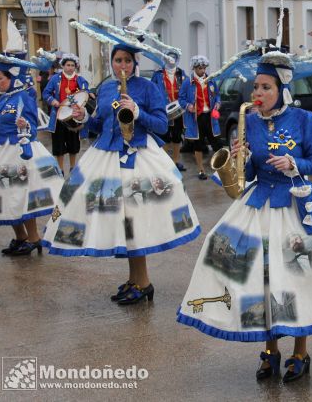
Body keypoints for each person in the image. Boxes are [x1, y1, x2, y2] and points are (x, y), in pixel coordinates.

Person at [177, 48, 312, 384]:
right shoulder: (249, 122)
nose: (257, 94)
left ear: (281, 90)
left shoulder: (304, 119)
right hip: (259, 203)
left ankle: (300, 352)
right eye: (256, 87)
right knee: (263, 278)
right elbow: (245, 174)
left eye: (265, 87)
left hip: (297, 205)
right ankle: (270, 351)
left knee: (297, 278)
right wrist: (240, 158)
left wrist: (294, 165)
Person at [42, 41, 201, 305]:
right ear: (112, 62)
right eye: (118, 60)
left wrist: (137, 112)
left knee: (135, 221)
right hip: (105, 156)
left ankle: (144, 282)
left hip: (139, 157)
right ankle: (135, 279)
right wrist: (81, 116)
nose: (123, 66)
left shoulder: (148, 88)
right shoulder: (104, 88)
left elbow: (162, 125)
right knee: (122, 223)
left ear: (135, 63)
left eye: (127, 61)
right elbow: (97, 125)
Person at [0, 55, 64, 255]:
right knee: (5, 196)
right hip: (1, 151)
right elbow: (2, 127)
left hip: (19, 153)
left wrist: (25, 126)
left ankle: (34, 238)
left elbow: (32, 128)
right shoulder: (5, 98)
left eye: (0, 77)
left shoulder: (24, 98)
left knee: (21, 196)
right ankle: (21, 237)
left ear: (12, 78)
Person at [42, 53, 90, 175]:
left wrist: (88, 94)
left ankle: (73, 168)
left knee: (73, 143)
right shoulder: (55, 79)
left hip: (73, 115)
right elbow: (46, 93)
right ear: (63, 66)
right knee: (59, 145)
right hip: (59, 115)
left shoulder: (80, 80)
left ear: (75, 67)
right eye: (68, 65)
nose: (70, 67)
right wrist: (53, 101)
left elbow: (85, 92)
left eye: (72, 65)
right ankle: (60, 169)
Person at [180, 55, 221, 180]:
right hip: (196, 118)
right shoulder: (188, 82)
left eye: (204, 68)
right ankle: (201, 170)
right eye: (200, 68)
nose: (202, 71)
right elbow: (181, 98)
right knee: (198, 145)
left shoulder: (211, 80)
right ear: (194, 68)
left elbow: (217, 95)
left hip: (210, 116)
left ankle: (221, 169)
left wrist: (218, 103)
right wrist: (188, 106)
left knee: (216, 143)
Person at [151, 50, 188, 172]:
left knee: (177, 136)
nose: (171, 61)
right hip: (163, 109)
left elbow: (187, 89)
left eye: (173, 58)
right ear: (165, 59)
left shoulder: (181, 74)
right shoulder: (158, 75)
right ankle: (165, 162)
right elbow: (153, 91)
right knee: (164, 136)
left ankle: (176, 161)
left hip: (178, 110)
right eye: (169, 58)